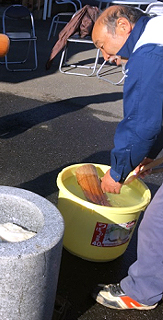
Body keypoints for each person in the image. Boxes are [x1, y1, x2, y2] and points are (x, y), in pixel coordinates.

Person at [91, 5, 163, 310]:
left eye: (102, 46)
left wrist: (118, 171)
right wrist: (153, 157)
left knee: (157, 223)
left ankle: (141, 293)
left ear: (123, 26)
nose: (105, 56)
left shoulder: (149, 53)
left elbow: (142, 122)